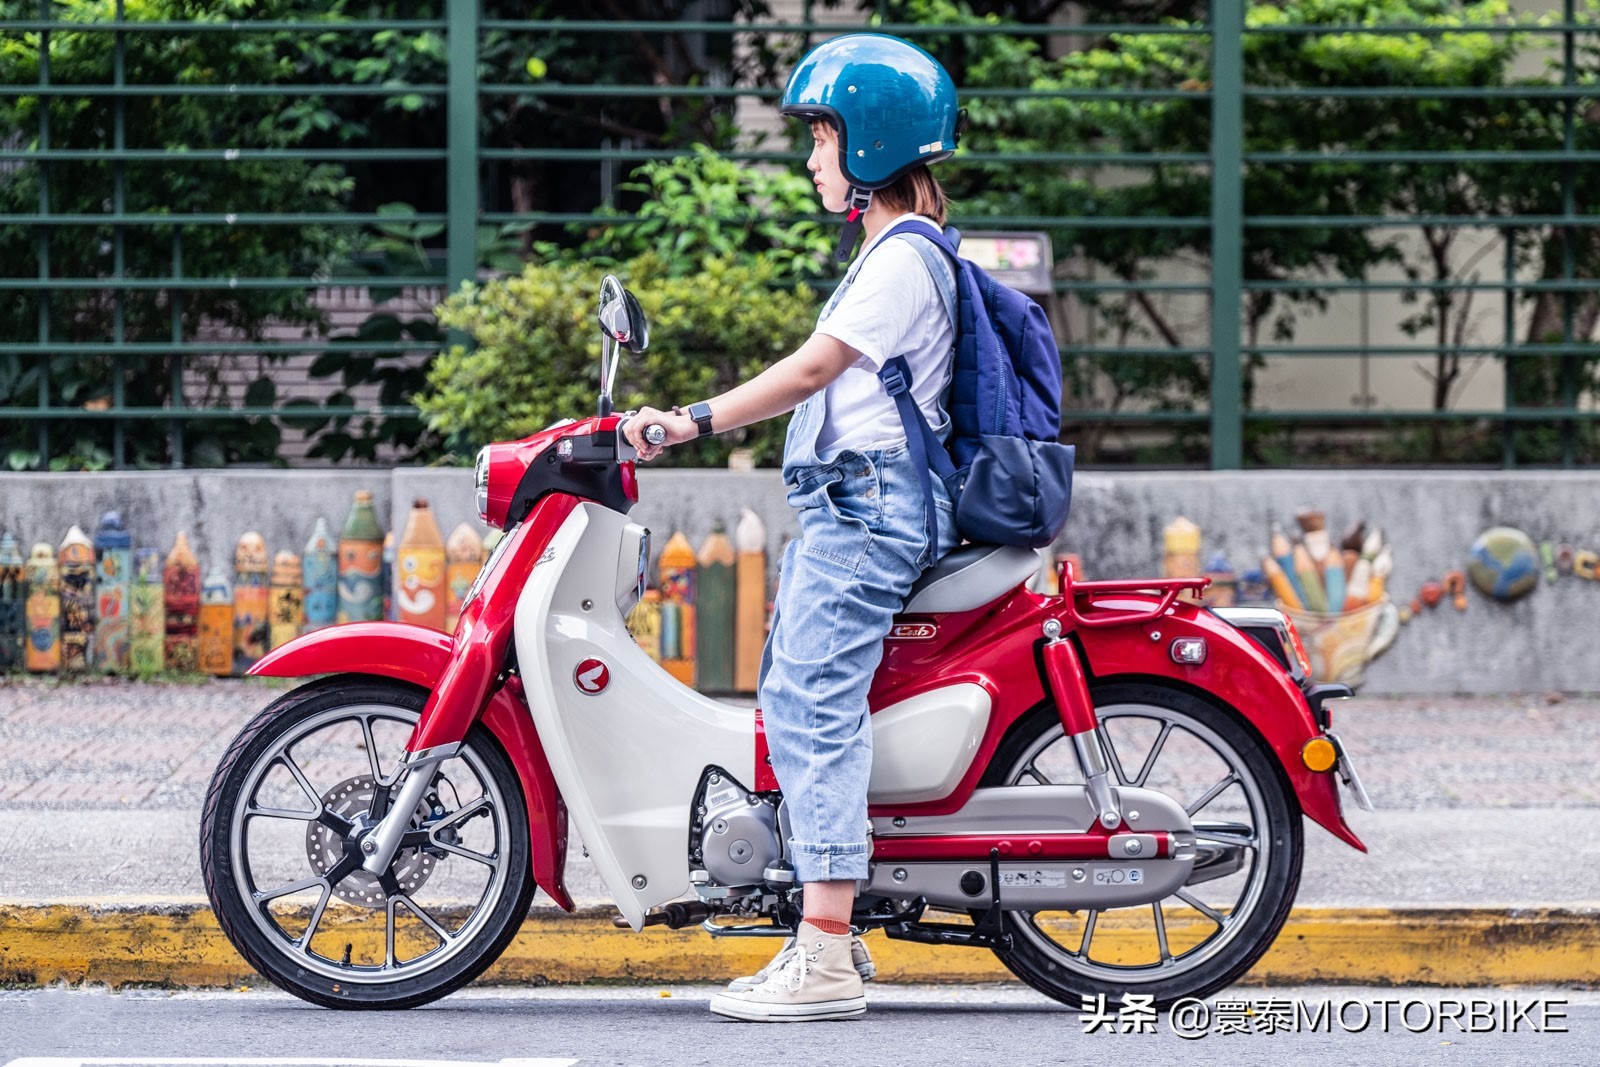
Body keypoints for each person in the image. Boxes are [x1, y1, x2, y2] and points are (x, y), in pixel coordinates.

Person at [621, 32, 963, 1023]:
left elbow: (812, 371)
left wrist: (687, 420)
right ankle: (830, 923)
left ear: (870, 144)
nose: (812, 155)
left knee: (813, 702)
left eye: (822, 135)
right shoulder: (895, 253)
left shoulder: (900, 259)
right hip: (855, 509)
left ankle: (822, 951)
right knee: (795, 694)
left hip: (870, 514)